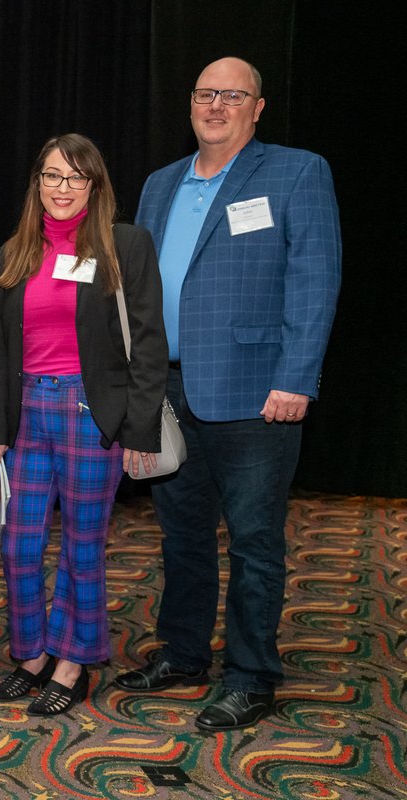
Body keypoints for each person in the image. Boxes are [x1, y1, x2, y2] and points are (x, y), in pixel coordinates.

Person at [114, 57, 341, 731]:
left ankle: (250, 674)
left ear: (258, 107)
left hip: (255, 393)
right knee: (181, 537)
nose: (216, 105)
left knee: (253, 541)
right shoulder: (160, 184)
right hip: (171, 389)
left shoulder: (297, 172)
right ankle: (184, 654)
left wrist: (298, 377)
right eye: (206, 94)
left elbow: (316, 276)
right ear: (190, 104)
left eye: (232, 95)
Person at [0, 134, 167, 716]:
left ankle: (72, 663)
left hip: (92, 414)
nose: (63, 188)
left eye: (75, 177)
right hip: (26, 413)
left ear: (94, 185)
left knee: (83, 546)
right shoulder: (15, 251)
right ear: (37, 183)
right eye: (52, 176)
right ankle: (31, 654)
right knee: (18, 543)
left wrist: (138, 430)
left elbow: (149, 340)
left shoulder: (124, 245)